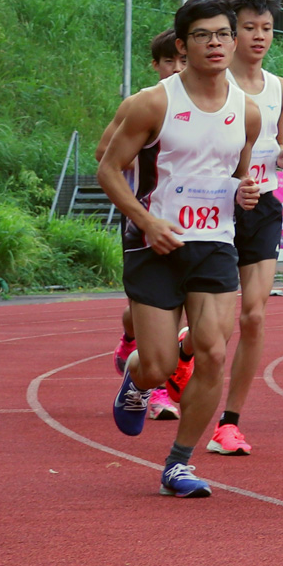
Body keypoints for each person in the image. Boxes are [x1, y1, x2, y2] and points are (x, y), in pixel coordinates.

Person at [97, 0, 261, 497]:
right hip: (155, 245)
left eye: (222, 35)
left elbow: (237, 174)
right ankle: (135, 372)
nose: (215, 43)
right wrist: (147, 220)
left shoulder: (247, 112)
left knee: (213, 351)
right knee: (160, 364)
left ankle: (179, 463)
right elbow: (109, 168)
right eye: (203, 35)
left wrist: (245, 192)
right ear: (184, 44)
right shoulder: (155, 102)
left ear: (234, 42)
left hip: (215, 242)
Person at [207, 0, 283, 455]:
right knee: (214, 332)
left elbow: (276, 148)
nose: (259, 36)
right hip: (216, 209)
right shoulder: (211, 85)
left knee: (255, 315)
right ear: (231, 31)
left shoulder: (282, 89)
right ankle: (181, 357)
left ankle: (230, 422)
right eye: (249, 28)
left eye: (266, 28)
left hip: (262, 205)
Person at [98, 30, 187, 401]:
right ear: (156, 65)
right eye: (169, 61)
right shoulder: (140, 104)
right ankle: (132, 339)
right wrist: (143, 152)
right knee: (140, 307)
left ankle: (161, 386)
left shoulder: (209, 104)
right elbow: (105, 152)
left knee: (179, 300)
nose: (177, 67)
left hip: (190, 221)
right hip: (142, 214)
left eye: (182, 60)